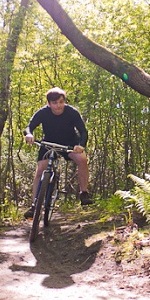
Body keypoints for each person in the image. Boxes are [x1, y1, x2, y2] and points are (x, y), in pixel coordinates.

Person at [23, 87, 94, 218]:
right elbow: (29, 126)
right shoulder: (43, 112)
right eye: (54, 103)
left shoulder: (72, 112)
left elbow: (83, 131)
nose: (58, 105)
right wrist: (29, 134)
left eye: (61, 102)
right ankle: (34, 206)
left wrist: (81, 145)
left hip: (69, 143)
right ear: (48, 104)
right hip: (48, 143)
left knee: (82, 159)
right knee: (40, 171)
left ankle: (84, 193)